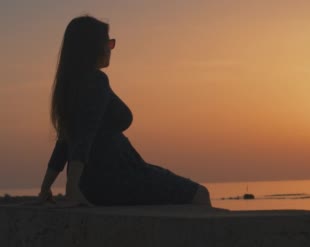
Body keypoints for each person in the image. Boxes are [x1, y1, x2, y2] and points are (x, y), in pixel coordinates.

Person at [34, 15, 215, 207]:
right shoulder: (97, 81)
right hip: (119, 175)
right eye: (109, 43)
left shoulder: (70, 88)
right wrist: (72, 189)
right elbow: (84, 136)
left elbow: (65, 142)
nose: (111, 49)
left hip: (96, 181)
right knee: (200, 194)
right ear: (94, 47)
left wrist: (45, 189)